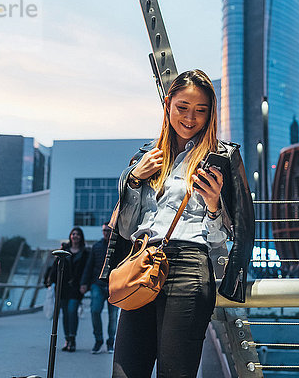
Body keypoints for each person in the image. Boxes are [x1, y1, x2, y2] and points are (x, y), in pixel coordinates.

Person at [100, 69, 255, 377]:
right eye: (182, 107)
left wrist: (213, 208)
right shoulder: (147, 155)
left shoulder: (222, 156)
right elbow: (128, 229)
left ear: (210, 114)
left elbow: (235, 230)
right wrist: (132, 180)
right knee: (125, 372)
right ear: (168, 103)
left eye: (201, 110)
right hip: (144, 261)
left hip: (191, 267)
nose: (189, 118)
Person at [46, 227, 90, 352]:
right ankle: (67, 339)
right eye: (73, 234)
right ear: (70, 236)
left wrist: (85, 284)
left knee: (72, 311)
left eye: (77, 234)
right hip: (62, 287)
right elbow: (55, 267)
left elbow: (87, 269)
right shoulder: (63, 250)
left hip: (76, 287)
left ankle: (72, 338)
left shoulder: (85, 252)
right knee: (65, 314)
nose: (75, 236)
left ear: (81, 237)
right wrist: (50, 280)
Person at [80, 222, 118, 354]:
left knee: (113, 316)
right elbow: (89, 266)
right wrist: (84, 283)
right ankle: (98, 340)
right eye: (104, 231)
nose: (106, 233)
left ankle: (110, 342)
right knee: (95, 311)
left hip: (114, 286)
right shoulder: (96, 247)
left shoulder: (118, 246)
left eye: (108, 230)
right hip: (97, 284)